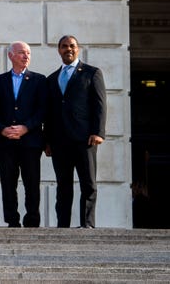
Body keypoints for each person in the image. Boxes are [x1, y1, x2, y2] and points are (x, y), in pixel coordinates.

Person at [45, 35, 106, 228]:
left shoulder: (91, 73)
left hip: (84, 139)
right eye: (64, 46)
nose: (68, 49)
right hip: (59, 142)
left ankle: (87, 224)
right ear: (59, 50)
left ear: (78, 49)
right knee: (63, 186)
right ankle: (62, 225)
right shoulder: (52, 79)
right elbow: (49, 112)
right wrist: (47, 141)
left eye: (72, 46)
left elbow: (100, 105)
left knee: (88, 184)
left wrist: (98, 132)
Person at [0, 41, 46, 228]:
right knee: (8, 183)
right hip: (5, 142)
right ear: (11, 56)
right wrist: (2, 129)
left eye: (28, 53)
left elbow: (42, 110)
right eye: (21, 52)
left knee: (32, 183)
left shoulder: (39, 80)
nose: (26, 56)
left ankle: (32, 220)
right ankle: (12, 220)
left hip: (30, 141)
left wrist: (26, 127)